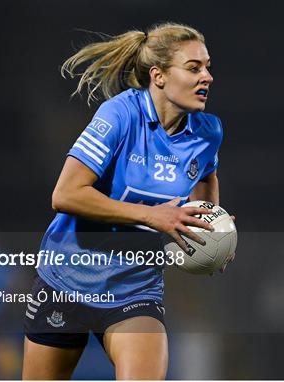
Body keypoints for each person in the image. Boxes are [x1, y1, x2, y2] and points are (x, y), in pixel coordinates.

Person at [22, 22, 233, 380]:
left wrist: (210, 227)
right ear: (159, 76)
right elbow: (66, 194)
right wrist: (153, 216)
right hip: (65, 280)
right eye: (194, 68)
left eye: (208, 66)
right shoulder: (119, 115)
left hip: (135, 290)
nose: (207, 77)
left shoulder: (208, 131)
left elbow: (206, 177)